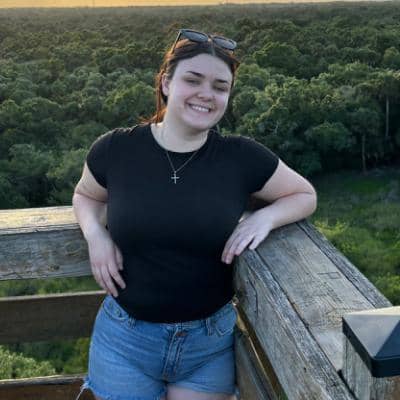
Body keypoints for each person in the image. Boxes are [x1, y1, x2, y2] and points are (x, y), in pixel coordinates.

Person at [72, 28, 317, 400]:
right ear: (166, 83)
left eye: (220, 86)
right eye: (193, 80)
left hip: (207, 346)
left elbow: (304, 194)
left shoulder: (241, 157)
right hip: (124, 341)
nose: (207, 93)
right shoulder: (116, 149)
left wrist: (264, 218)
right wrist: (95, 234)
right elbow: (85, 195)